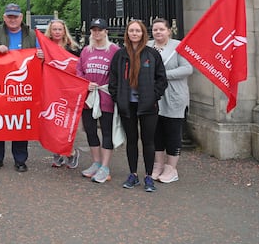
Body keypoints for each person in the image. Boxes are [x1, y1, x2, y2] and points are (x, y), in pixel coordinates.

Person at [109, 20, 168, 193]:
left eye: (138, 31)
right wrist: (117, 97)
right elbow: (113, 78)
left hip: (148, 106)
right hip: (127, 105)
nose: (134, 34)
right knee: (132, 141)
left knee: (148, 141)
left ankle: (149, 176)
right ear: (127, 33)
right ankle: (133, 174)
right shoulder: (120, 55)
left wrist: (153, 96)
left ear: (143, 34)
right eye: (131, 31)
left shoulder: (151, 54)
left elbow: (161, 79)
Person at [0, 3, 35, 172]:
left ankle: (20, 160)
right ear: (4, 17)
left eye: (15, 16)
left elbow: (41, 55)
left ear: (21, 17)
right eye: (9, 16)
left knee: (20, 122)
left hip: (21, 87)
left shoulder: (31, 34)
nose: (13, 20)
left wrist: (41, 54)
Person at [148, 18, 192, 184]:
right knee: (156, 132)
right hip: (154, 96)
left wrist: (163, 75)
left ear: (168, 31)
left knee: (172, 132)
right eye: (155, 30)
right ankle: (158, 164)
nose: (158, 32)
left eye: (161, 29)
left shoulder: (178, 46)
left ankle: (171, 168)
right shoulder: (148, 46)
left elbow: (187, 69)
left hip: (173, 96)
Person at [76, 18, 120, 183]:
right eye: (94, 30)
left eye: (99, 30)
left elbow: (119, 72)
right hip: (89, 96)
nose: (96, 33)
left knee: (106, 131)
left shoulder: (114, 50)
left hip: (106, 95)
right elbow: (79, 69)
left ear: (105, 32)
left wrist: (110, 86)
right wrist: (85, 83)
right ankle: (96, 163)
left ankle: (105, 167)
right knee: (90, 130)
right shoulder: (86, 51)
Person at [42, 19, 81, 170]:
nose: (57, 32)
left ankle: (70, 152)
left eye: (60, 29)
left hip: (68, 90)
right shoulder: (45, 47)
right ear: (50, 31)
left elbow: (79, 67)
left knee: (67, 122)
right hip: (52, 89)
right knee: (53, 121)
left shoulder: (73, 48)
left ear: (64, 31)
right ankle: (57, 152)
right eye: (54, 29)